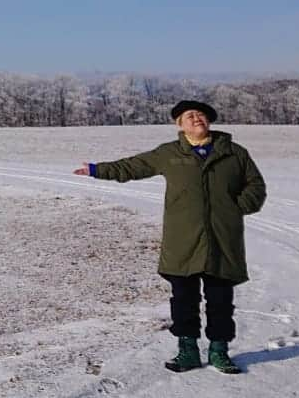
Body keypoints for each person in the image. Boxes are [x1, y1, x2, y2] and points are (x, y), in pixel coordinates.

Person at [73, 100, 266, 374]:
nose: (197, 118)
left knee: (221, 301)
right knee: (184, 300)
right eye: (190, 116)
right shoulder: (169, 153)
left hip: (222, 240)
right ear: (179, 124)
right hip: (182, 240)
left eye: (200, 115)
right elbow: (133, 167)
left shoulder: (234, 153)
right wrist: (96, 170)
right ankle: (187, 351)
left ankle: (219, 351)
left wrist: (236, 209)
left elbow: (255, 185)